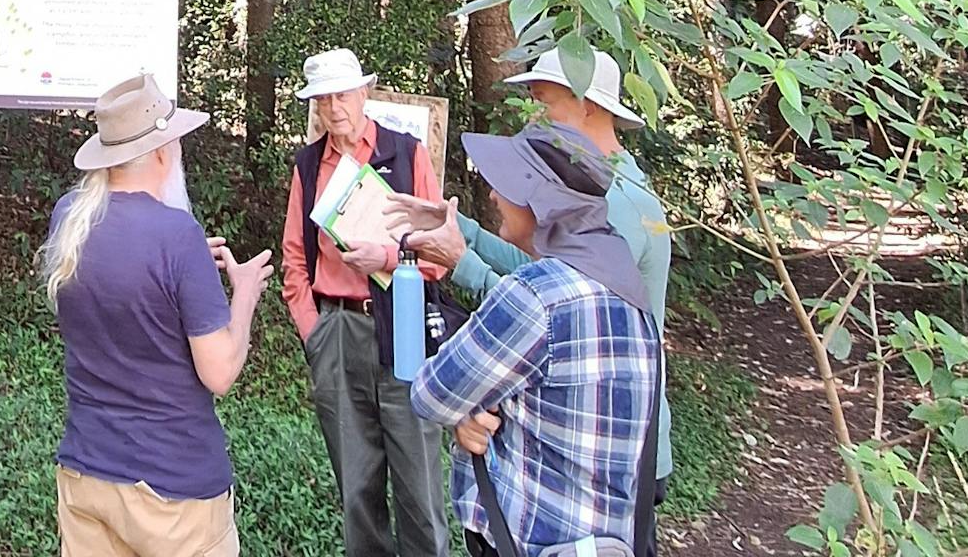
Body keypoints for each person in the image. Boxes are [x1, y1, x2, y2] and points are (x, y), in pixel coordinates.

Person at [383, 46, 674, 484]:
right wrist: (456, 225)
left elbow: (555, 309)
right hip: (576, 428)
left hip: (613, 442)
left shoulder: (620, 202)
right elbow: (537, 264)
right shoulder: (598, 188)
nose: (532, 117)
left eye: (543, 103)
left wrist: (463, 262)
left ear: (587, 105)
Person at [43, 72, 274, 557]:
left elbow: (123, 281)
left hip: (86, 473)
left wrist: (186, 273)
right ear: (165, 153)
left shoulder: (69, 217)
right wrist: (245, 292)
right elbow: (220, 373)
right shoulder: (176, 235)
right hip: (174, 490)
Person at [409, 124, 662, 557]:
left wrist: (476, 410)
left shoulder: (535, 296)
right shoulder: (627, 287)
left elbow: (432, 394)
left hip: (530, 541)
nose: (492, 196)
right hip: (608, 542)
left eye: (505, 185)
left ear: (540, 201)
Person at [279, 49, 451, 557]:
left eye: (343, 95)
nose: (335, 108)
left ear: (364, 94)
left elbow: (441, 251)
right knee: (357, 492)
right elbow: (294, 258)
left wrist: (391, 255)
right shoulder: (308, 166)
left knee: (420, 490)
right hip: (338, 332)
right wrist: (314, 331)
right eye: (323, 98)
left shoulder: (406, 153)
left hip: (404, 326)